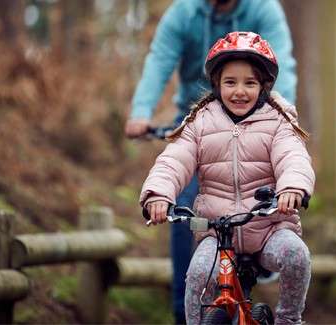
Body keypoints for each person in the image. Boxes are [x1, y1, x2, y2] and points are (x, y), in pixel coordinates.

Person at [124, 1, 297, 322]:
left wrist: (278, 115)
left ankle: (260, 262)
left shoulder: (263, 9)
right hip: (197, 119)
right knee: (184, 210)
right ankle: (185, 312)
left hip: (258, 121)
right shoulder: (183, 13)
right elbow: (160, 59)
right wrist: (141, 112)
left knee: (270, 198)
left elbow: (282, 61)